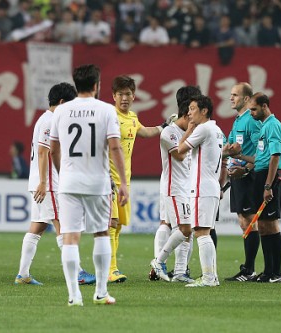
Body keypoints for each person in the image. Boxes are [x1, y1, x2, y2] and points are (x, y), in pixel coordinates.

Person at [50, 64, 128, 306]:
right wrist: (123, 182)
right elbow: (115, 146)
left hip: (69, 182)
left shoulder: (62, 111)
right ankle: (101, 292)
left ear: (76, 84)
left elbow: (53, 149)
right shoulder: (106, 110)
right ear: (96, 85)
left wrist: (64, 173)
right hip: (97, 182)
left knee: (70, 236)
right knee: (101, 233)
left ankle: (74, 295)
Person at [14, 82, 94, 286]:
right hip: (48, 182)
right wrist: (43, 182)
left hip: (42, 181)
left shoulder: (45, 119)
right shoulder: (50, 121)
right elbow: (43, 151)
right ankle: (77, 273)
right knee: (64, 225)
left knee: (38, 226)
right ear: (61, 102)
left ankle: (23, 274)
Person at [108, 75, 170, 283]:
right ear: (113, 96)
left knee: (117, 227)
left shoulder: (133, 118)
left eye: (128, 94)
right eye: (120, 94)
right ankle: (110, 269)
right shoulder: (109, 116)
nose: (124, 98)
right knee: (111, 223)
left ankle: (110, 268)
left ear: (134, 96)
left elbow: (144, 132)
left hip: (124, 181)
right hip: (108, 180)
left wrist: (164, 126)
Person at [230, 92, 281, 283]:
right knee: (262, 225)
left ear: (264, 106)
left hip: (267, 177)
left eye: (254, 109)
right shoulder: (264, 127)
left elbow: (274, 157)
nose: (251, 113)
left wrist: (268, 184)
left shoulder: (273, 126)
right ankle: (268, 271)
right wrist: (241, 159)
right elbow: (259, 158)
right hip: (259, 175)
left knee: (270, 224)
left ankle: (276, 272)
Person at [150, 85, 201, 283]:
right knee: (180, 227)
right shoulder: (169, 133)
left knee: (185, 229)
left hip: (187, 186)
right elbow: (179, 155)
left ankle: (180, 271)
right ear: (189, 108)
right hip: (173, 186)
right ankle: (158, 262)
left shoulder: (195, 130)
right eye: (197, 106)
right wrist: (190, 131)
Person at [177, 95, 224, 287]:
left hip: (201, 187)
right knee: (206, 231)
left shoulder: (203, 129)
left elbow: (179, 149)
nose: (189, 113)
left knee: (201, 232)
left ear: (204, 111)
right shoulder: (217, 129)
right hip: (211, 185)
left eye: (193, 108)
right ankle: (212, 276)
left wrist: (188, 130)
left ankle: (208, 278)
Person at [222, 82, 261, 282]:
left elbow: (259, 151)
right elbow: (231, 148)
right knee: (243, 220)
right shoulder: (238, 121)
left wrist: (245, 168)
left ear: (246, 99)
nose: (231, 98)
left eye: (235, 95)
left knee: (249, 219)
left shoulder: (252, 121)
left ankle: (249, 269)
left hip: (247, 175)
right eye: (231, 94)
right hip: (236, 174)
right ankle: (248, 268)